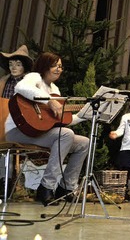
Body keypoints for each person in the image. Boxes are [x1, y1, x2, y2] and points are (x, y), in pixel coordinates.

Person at [5, 52, 89, 206]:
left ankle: (66, 188)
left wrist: (86, 114)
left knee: (84, 142)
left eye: (60, 66)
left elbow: (60, 120)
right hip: (18, 130)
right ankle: (45, 187)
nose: (59, 69)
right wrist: (49, 101)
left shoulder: (55, 88)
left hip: (39, 131)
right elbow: (21, 87)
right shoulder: (34, 77)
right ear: (45, 66)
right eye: (55, 65)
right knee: (65, 134)